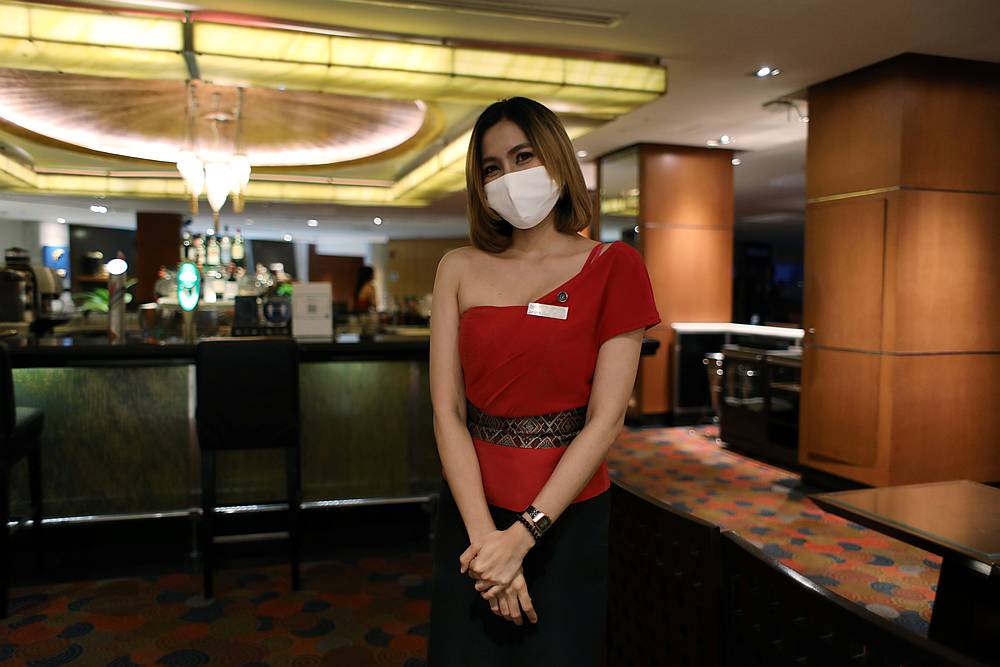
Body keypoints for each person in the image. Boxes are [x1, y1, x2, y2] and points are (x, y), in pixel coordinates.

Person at [427, 97, 662, 665]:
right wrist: (488, 543)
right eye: (492, 167)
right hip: (471, 513)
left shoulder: (615, 265)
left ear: (556, 158)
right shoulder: (456, 267)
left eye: (523, 157)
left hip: (567, 518)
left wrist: (522, 536)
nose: (508, 177)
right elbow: (447, 413)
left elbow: (606, 419)